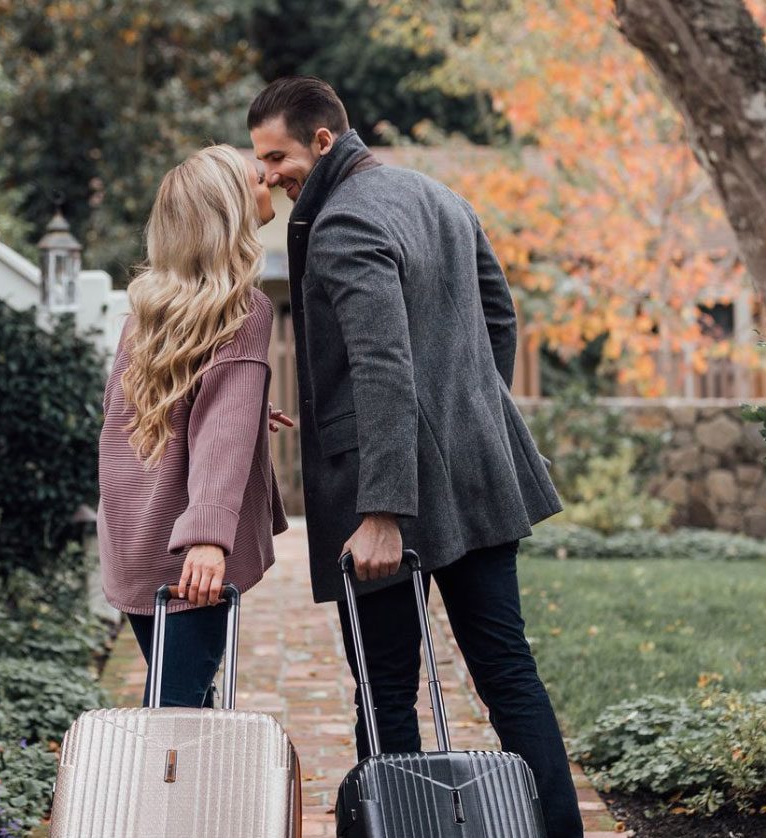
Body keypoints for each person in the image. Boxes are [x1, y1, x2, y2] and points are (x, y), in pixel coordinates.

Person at [248, 77, 584, 837]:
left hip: (385, 498)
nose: (269, 174)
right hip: (476, 476)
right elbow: (500, 314)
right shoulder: (436, 196)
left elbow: (381, 367)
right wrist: (465, 419)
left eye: (277, 156)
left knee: (385, 691)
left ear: (323, 140)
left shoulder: (338, 223)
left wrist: (382, 513)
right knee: (508, 675)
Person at [97, 144, 292, 709]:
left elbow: (129, 427)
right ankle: (150, 803)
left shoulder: (146, 313)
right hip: (190, 555)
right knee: (175, 718)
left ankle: (197, 801)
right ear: (230, 208)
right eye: (259, 179)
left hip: (137, 538)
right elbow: (218, 436)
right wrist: (208, 539)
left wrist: (248, 411)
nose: (271, 184)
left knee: (182, 706)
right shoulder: (245, 310)